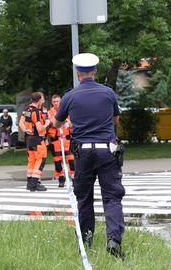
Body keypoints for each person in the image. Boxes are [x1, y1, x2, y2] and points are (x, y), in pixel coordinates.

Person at [53, 53, 126, 258]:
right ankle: (113, 240)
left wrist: (69, 122)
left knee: (84, 198)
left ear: (78, 74)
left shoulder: (70, 96)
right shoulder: (108, 93)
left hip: (83, 152)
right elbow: (115, 120)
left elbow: (57, 123)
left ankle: (86, 242)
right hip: (107, 151)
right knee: (112, 196)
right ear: (95, 71)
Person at [19, 92, 50, 192]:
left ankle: (29, 183)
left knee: (32, 160)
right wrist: (47, 124)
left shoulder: (27, 109)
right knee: (40, 160)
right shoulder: (36, 111)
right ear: (40, 99)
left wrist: (26, 130)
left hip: (28, 138)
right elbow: (39, 128)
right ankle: (34, 184)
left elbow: (21, 123)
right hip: (37, 139)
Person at [47, 94, 75, 188]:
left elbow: (72, 123)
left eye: (57, 101)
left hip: (66, 139)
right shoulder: (50, 112)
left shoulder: (67, 111)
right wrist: (63, 121)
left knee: (71, 159)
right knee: (58, 161)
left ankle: (74, 178)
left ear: (61, 102)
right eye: (54, 102)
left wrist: (67, 122)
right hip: (56, 140)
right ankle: (61, 178)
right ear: (52, 102)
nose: (56, 103)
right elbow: (52, 123)